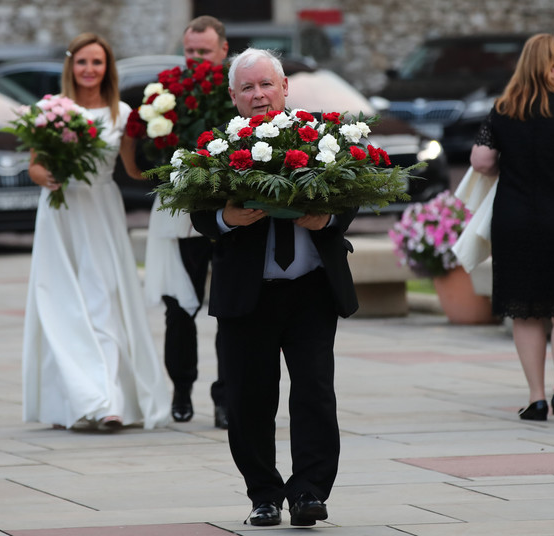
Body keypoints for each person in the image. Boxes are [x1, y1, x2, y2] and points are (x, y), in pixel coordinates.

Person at [190, 48, 358, 527]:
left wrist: (326, 217)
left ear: (285, 87)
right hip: (248, 293)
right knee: (248, 399)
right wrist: (227, 217)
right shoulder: (216, 146)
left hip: (311, 289)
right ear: (233, 95)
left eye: (266, 84)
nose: (259, 95)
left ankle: (309, 492)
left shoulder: (322, 137)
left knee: (314, 393)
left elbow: (352, 193)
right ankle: (263, 494)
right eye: (248, 87)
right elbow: (198, 211)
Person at [22, 33, 171, 432]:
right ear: (71, 66)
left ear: (108, 68)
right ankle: (76, 398)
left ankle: (109, 403)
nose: (90, 69)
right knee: (63, 303)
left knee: (104, 300)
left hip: (102, 210)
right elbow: (34, 166)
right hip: (61, 212)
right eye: (83, 62)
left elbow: (133, 170)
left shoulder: (120, 112)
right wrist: (46, 176)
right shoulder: (51, 110)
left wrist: (173, 158)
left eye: (98, 62)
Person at [470, 34, 554, 422]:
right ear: (548, 67)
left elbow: (481, 160)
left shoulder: (503, 109)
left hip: (515, 220)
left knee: (525, 309)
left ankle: (536, 398)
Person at [143, 15, 230, 428]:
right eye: (190, 51)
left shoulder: (237, 92)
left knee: (233, 309)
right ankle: (181, 389)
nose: (195, 59)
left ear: (223, 51)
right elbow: (146, 153)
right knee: (179, 307)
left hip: (233, 214)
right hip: (181, 213)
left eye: (204, 52)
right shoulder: (167, 94)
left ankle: (227, 397)